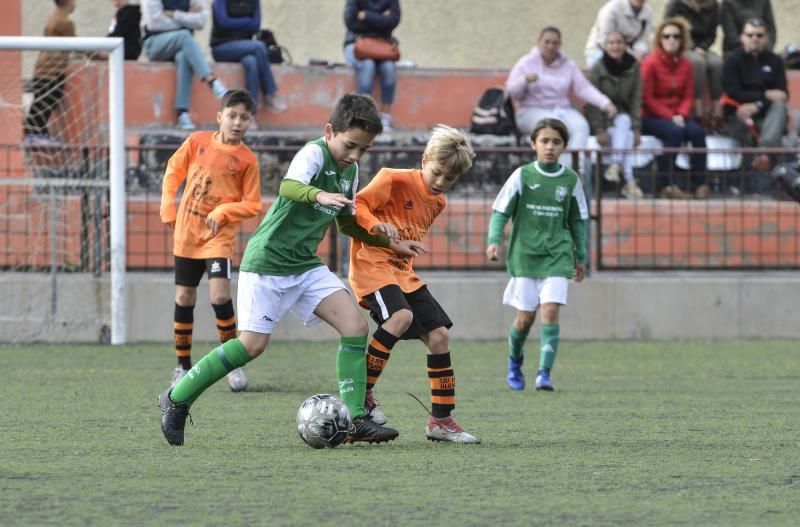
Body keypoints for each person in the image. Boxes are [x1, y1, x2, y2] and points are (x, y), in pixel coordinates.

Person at [157, 93, 424, 446]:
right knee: (250, 347)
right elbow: (288, 186)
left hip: (305, 265)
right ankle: (177, 398)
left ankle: (356, 417)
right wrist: (318, 195)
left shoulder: (352, 171)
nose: (355, 156)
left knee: (355, 326)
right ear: (330, 131)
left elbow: (347, 225)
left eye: (364, 149)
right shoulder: (314, 153)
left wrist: (388, 241)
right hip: (267, 262)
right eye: (350, 145)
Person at [348, 125, 479, 444]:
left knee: (439, 335)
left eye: (449, 179)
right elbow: (359, 205)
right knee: (400, 317)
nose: (440, 183)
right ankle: (361, 396)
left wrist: (400, 247)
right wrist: (376, 225)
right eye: (437, 173)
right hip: (372, 266)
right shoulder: (392, 178)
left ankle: (441, 420)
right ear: (424, 159)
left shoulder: (438, 203)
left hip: (402, 272)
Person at [160, 89, 261, 393]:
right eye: (232, 115)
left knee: (219, 296)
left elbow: (253, 204)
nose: (237, 122)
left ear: (250, 122)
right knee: (184, 299)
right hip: (187, 234)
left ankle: (232, 363)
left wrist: (224, 209)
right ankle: (182, 365)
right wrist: (168, 206)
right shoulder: (197, 142)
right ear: (220, 117)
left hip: (218, 239)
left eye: (244, 117)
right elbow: (172, 172)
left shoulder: (247, 161)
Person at [486, 118, 588, 392]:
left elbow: (579, 221)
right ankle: (514, 363)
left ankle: (544, 374)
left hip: (558, 256)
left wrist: (581, 256)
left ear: (564, 146)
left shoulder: (570, 179)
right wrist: (494, 241)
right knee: (524, 320)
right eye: (544, 141)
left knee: (550, 312)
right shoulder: (523, 175)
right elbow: (501, 211)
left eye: (556, 141)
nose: (550, 147)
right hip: (525, 257)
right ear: (534, 144)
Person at [506, 26, 617, 168]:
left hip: (562, 109)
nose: (550, 46)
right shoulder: (526, 63)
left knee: (581, 126)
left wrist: (605, 103)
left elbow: (584, 88)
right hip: (530, 110)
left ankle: (573, 170)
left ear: (560, 44)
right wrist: (524, 80)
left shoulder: (568, 65)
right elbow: (511, 91)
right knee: (557, 126)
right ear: (539, 42)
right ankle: (557, 171)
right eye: (547, 42)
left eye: (554, 43)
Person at [641, 17, 708, 199]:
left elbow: (688, 95)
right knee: (675, 133)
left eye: (676, 36)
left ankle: (699, 183)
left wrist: (681, 113)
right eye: (667, 36)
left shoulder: (686, 64)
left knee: (698, 133)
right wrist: (671, 116)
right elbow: (646, 98)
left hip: (678, 115)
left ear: (682, 39)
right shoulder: (650, 63)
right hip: (652, 116)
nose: (671, 40)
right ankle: (666, 184)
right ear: (660, 39)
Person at [141, 0, 229, 130]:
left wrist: (175, 15)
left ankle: (182, 113)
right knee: (185, 35)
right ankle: (212, 81)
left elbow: (201, 20)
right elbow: (155, 23)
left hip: (181, 45)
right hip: (154, 44)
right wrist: (187, 17)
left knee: (184, 56)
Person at [721, 17, 788, 185]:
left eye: (759, 35)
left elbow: (782, 94)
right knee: (778, 138)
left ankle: (764, 152)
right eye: (750, 35)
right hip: (738, 113)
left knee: (779, 107)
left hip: (768, 115)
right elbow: (733, 92)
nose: (754, 39)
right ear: (742, 37)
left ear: (766, 37)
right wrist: (765, 95)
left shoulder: (775, 60)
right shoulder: (732, 59)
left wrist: (758, 103)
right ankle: (772, 184)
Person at [586, 31, 644, 198]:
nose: (615, 46)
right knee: (625, 135)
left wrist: (637, 130)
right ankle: (629, 181)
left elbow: (636, 101)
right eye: (611, 43)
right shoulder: (598, 68)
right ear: (605, 46)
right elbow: (591, 101)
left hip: (622, 119)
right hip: (604, 121)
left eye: (619, 42)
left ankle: (615, 166)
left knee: (625, 122)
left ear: (625, 45)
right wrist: (599, 129)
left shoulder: (634, 67)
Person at [210, 0, 288, 116]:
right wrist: (246, 21)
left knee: (252, 61)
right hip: (222, 47)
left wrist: (235, 24)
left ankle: (250, 114)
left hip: (246, 48)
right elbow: (223, 23)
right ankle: (270, 93)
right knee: (259, 46)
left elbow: (255, 26)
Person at [23, 0, 77, 145]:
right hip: (53, 68)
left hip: (42, 65)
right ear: (68, 2)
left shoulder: (52, 16)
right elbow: (76, 45)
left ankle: (36, 131)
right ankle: (34, 133)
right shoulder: (65, 22)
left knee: (42, 98)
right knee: (48, 98)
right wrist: (97, 54)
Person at [664, 0, 723, 131]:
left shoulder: (713, 6)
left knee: (718, 64)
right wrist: (687, 46)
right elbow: (667, 29)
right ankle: (698, 110)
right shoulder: (676, 4)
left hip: (702, 48)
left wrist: (703, 47)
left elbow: (712, 34)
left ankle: (717, 112)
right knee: (698, 63)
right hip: (681, 46)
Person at [343, 0, 401, 132]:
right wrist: (381, 19)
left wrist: (366, 15)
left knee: (389, 68)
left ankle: (385, 117)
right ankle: (363, 116)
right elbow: (350, 22)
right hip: (357, 44)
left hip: (382, 47)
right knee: (368, 65)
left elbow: (393, 21)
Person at [584, 0, 653, 68]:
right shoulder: (611, 9)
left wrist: (639, 52)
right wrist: (630, 55)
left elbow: (643, 39)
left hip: (629, 53)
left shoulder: (647, 12)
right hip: (600, 50)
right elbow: (604, 39)